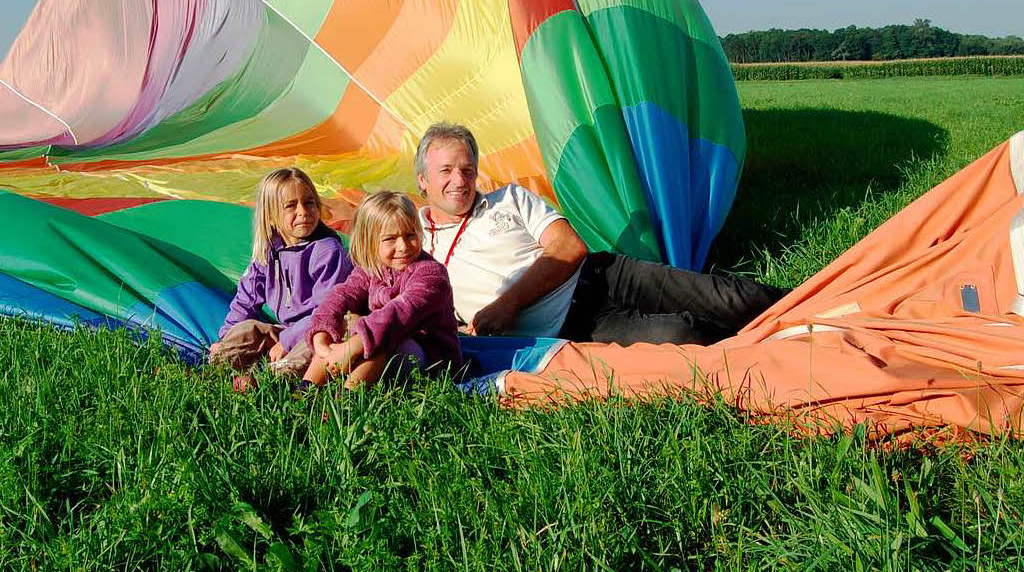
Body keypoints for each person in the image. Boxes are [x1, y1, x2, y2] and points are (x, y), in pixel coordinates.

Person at [414, 122, 788, 345]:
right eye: (445, 171)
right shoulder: (413, 240)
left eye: (467, 169)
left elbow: (568, 246)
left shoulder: (510, 198)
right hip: (576, 326)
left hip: (603, 276)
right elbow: (375, 275)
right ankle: (782, 345)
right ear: (422, 181)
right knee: (680, 336)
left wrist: (508, 303)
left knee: (730, 297)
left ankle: (823, 304)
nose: (459, 181)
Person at [302, 191, 463, 390]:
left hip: (433, 361)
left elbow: (399, 314)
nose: (403, 246)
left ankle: (349, 401)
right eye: (390, 239)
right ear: (370, 243)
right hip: (387, 353)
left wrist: (354, 346)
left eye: (410, 235)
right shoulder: (371, 269)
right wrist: (322, 334)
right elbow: (342, 294)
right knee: (343, 324)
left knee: (382, 338)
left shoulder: (431, 274)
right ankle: (306, 392)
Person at [209, 168, 353, 378]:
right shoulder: (269, 250)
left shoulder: (327, 251)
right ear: (271, 216)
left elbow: (327, 311)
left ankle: (272, 380)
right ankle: (221, 365)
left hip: (321, 330)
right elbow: (246, 300)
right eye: (290, 206)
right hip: (285, 330)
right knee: (247, 330)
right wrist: (224, 339)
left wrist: (286, 341)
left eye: (309, 202)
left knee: (310, 348)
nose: (303, 212)